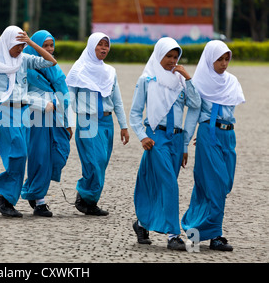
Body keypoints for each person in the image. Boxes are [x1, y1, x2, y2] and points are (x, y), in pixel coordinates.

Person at [129, 37, 201, 250]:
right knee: (170, 184)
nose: (172, 60)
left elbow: (196, 104)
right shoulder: (147, 80)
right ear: (158, 55)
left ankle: (141, 223)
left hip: (177, 140)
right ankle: (173, 235)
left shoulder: (180, 82)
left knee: (162, 186)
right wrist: (142, 136)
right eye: (168, 56)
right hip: (156, 138)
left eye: (175, 56)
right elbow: (134, 113)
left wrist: (188, 78)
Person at [0, 25, 57, 218]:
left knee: (20, 157)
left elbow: (51, 62)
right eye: (17, 45)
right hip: (3, 112)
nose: (20, 49)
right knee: (19, 154)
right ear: (7, 43)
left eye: (22, 46)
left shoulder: (24, 59)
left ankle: (6, 199)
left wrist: (30, 42)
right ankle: (4, 196)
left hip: (22, 113)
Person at [181, 40, 245, 251]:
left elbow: (230, 114)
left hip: (228, 136)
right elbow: (193, 115)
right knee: (215, 186)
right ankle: (216, 236)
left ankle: (194, 228)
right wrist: (185, 144)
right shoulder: (199, 83)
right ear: (210, 59)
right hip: (209, 136)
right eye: (219, 59)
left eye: (227, 59)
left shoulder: (232, 81)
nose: (224, 63)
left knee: (224, 185)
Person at [66, 32, 129, 216]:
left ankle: (90, 202)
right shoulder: (78, 70)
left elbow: (117, 100)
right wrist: (68, 123)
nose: (103, 48)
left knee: (102, 163)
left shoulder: (110, 72)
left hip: (107, 121)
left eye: (106, 45)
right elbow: (69, 98)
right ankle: (83, 195)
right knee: (95, 161)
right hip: (87, 120)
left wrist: (124, 126)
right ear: (92, 46)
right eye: (100, 44)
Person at [21, 30, 72, 217]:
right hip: (35, 117)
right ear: (35, 46)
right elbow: (21, 94)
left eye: (51, 45)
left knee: (59, 154)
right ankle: (39, 200)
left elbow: (64, 93)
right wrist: (43, 104)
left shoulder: (54, 68)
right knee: (40, 157)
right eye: (45, 46)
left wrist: (67, 122)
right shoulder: (26, 66)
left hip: (56, 117)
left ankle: (32, 188)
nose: (50, 49)